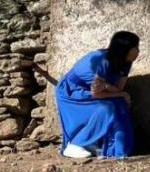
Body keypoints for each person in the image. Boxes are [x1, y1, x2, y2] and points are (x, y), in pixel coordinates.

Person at [56, 31, 139, 159]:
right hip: (72, 91)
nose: (138, 51)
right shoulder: (103, 61)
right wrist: (120, 93)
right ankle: (75, 144)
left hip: (93, 91)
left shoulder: (126, 61)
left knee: (119, 104)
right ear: (125, 49)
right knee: (107, 109)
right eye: (135, 48)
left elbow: (117, 89)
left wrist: (115, 91)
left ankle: (116, 149)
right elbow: (97, 94)